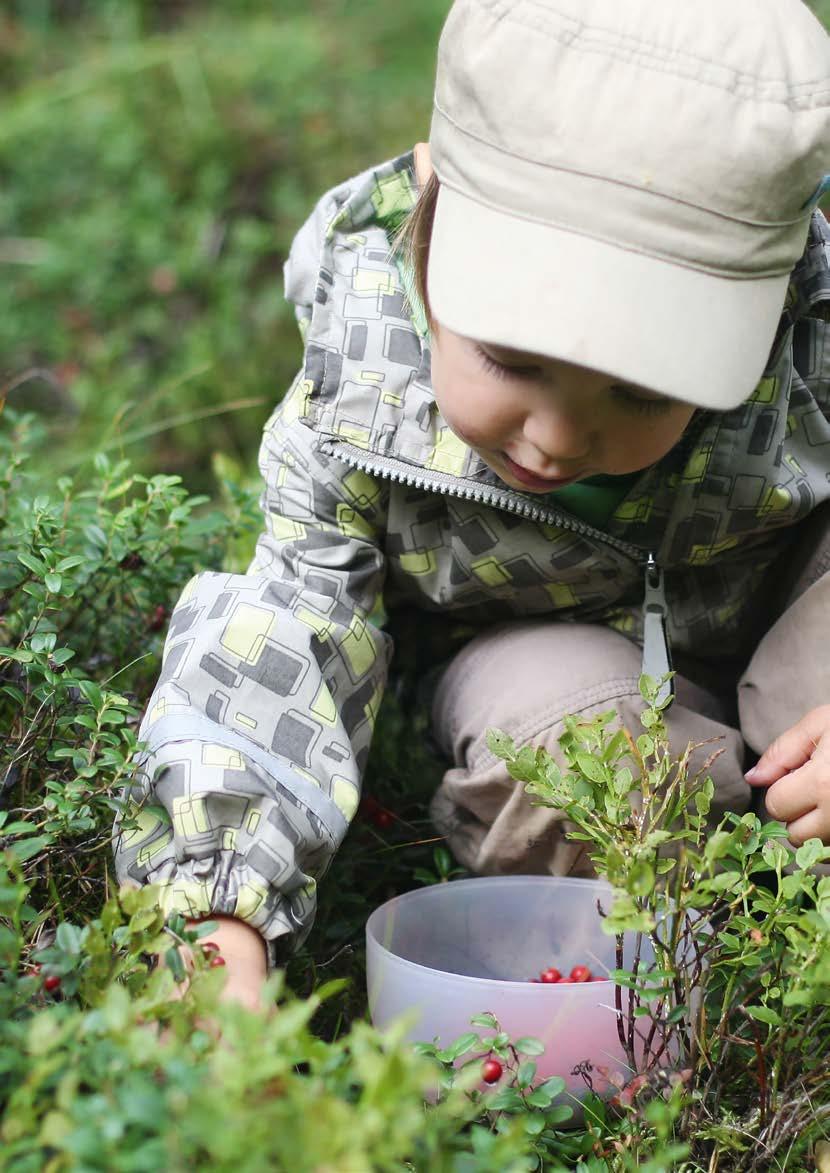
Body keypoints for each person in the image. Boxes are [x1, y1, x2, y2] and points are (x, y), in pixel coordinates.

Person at [113, 0, 830, 1011]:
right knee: (570, 748)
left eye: (641, 389)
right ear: (428, 212)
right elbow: (286, 636)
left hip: (790, 645)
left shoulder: (813, 328)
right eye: (512, 359)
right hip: (554, 673)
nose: (555, 437)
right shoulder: (361, 403)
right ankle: (701, 970)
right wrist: (212, 915)